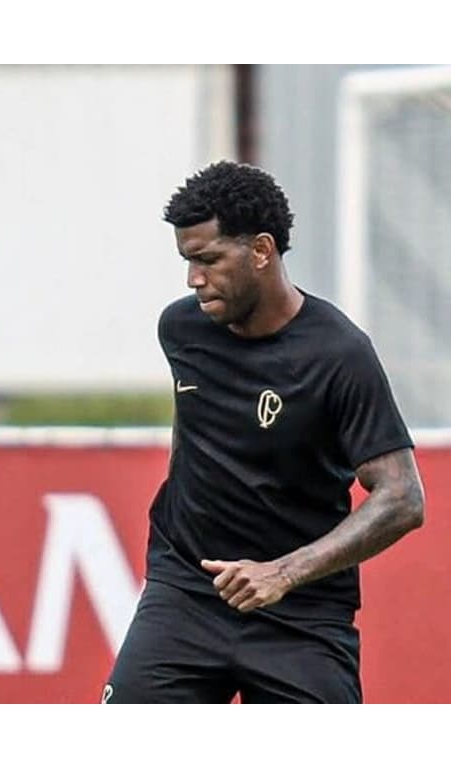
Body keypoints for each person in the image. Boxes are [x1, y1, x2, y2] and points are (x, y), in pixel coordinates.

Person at [103, 160, 425, 703]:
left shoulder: (340, 354)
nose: (193, 279)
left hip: (300, 614)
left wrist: (282, 573)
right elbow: (195, 430)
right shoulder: (180, 329)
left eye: (207, 260)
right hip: (186, 595)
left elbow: (402, 498)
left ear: (260, 251)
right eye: (186, 261)